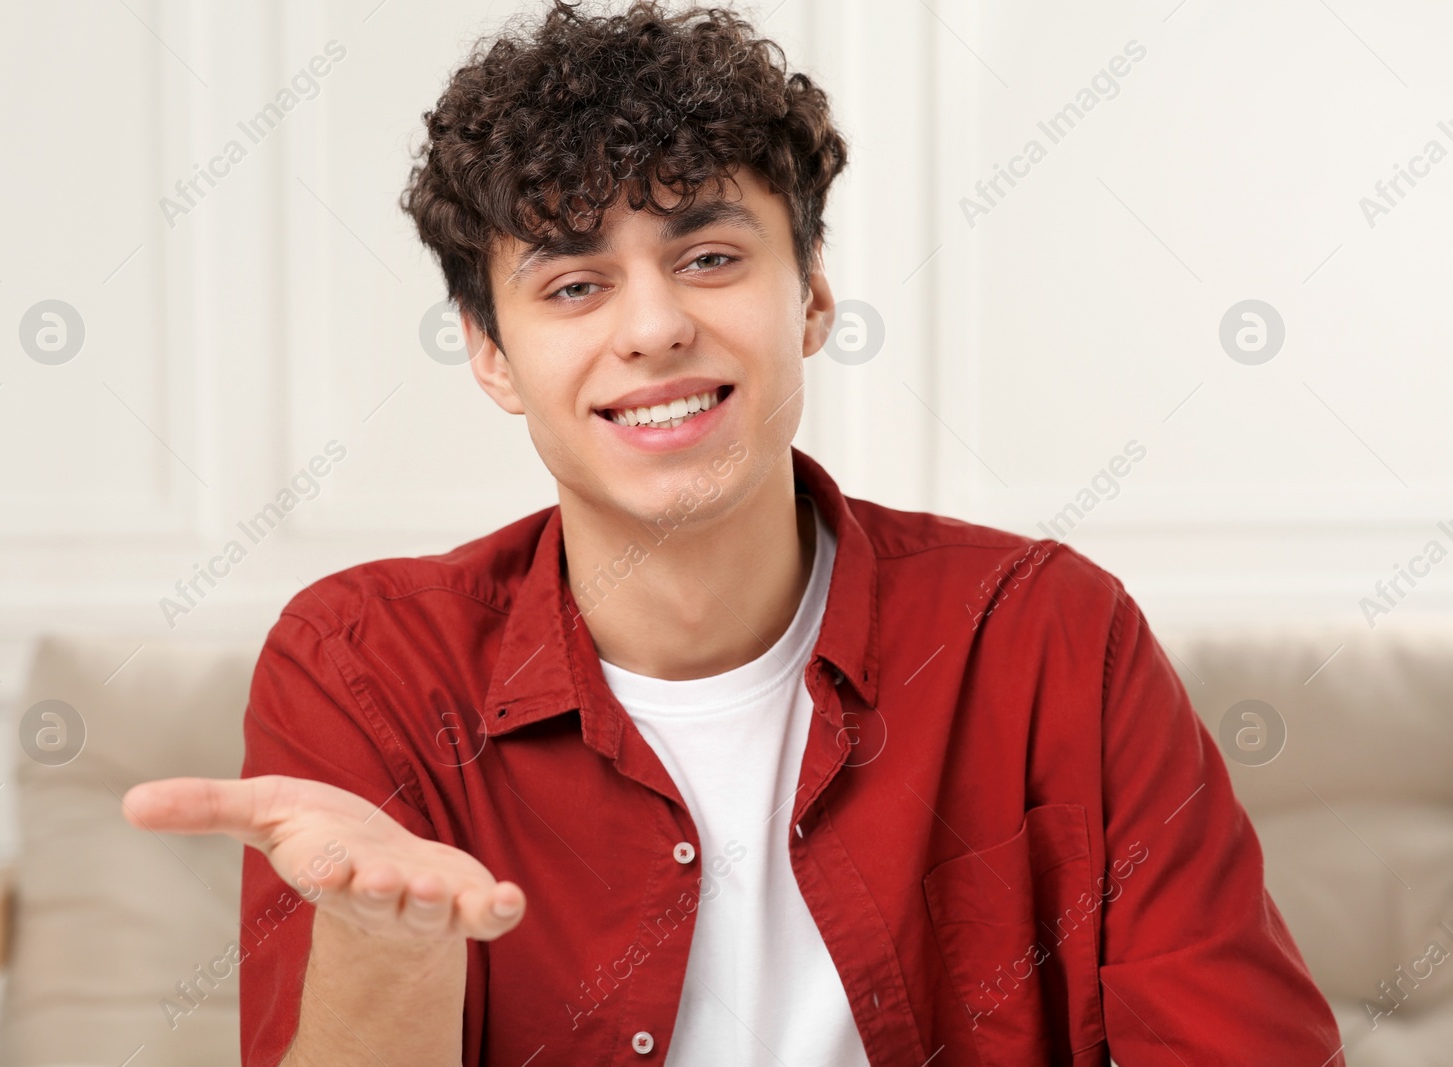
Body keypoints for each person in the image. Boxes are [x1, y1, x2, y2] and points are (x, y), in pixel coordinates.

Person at [122, 2, 1346, 1064]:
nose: (653, 328)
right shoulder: (365, 664)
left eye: (708, 256)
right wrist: (386, 948)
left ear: (808, 295)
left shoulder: (1044, 633)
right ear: (491, 354)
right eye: (572, 284)